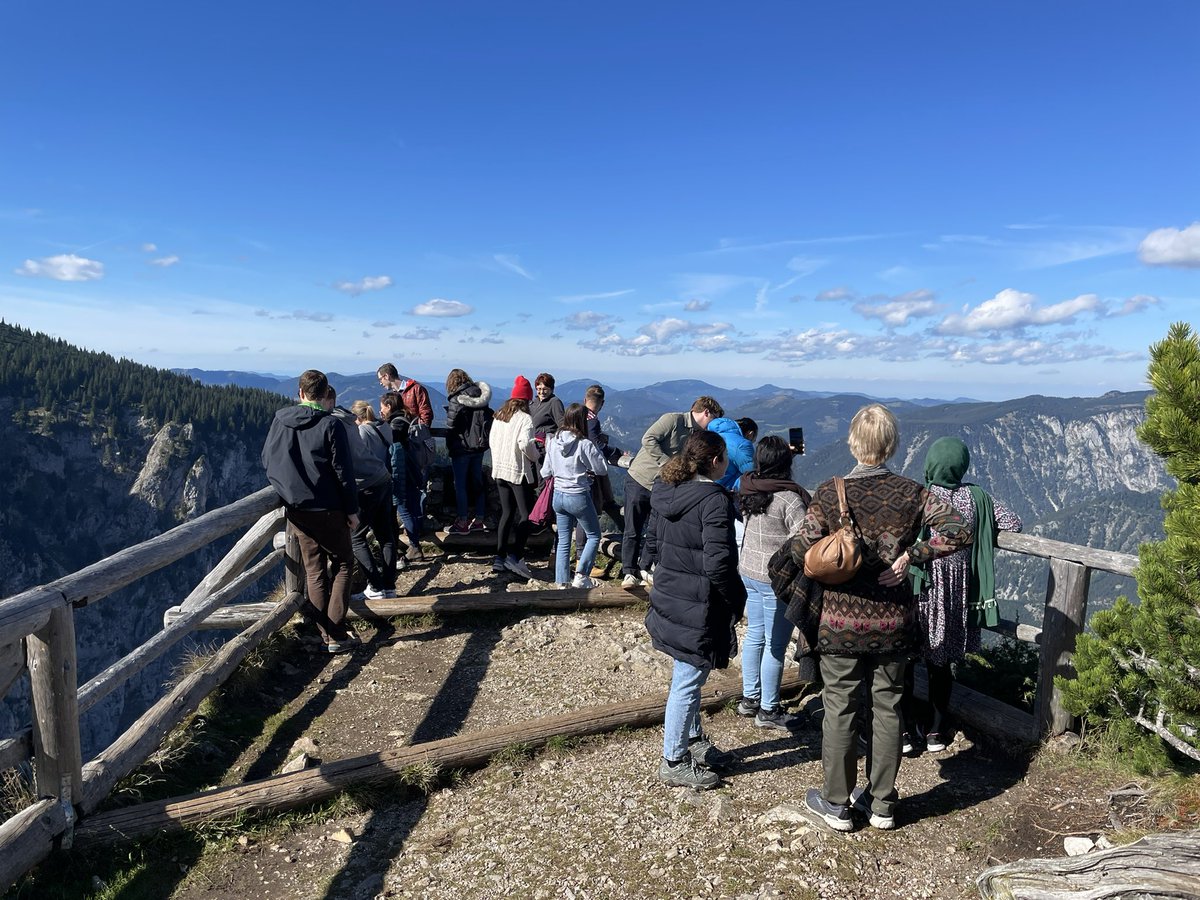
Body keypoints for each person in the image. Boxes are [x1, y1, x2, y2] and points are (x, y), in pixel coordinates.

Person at [791, 403, 971, 831]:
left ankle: (837, 803)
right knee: (888, 705)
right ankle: (882, 804)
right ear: (891, 445)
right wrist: (912, 555)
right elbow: (961, 530)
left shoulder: (829, 493)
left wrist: (837, 557)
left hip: (839, 623)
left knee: (840, 707)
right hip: (893, 623)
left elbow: (800, 550)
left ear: (853, 443)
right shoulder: (913, 493)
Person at [903, 436, 1022, 753]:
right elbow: (1014, 523)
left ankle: (905, 729)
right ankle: (936, 731)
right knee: (940, 663)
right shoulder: (977, 497)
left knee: (907, 658)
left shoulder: (923, 495)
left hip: (922, 586)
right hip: (958, 589)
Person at [644, 430, 747, 790]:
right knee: (688, 681)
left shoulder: (666, 488)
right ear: (716, 461)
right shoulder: (713, 500)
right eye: (725, 458)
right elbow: (719, 563)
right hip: (698, 603)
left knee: (686, 673)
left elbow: (653, 542)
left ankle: (693, 740)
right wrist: (737, 599)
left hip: (671, 595)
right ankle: (673, 760)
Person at [261, 370, 360, 654]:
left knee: (314, 570)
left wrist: (288, 490)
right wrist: (352, 510)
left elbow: (268, 459)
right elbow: (343, 472)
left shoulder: (280, 421)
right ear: (326, 393)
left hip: (297, 509)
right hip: (329, 507)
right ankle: (337, 634)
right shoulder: (331, 425)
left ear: (300, 393)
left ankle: (324, 634)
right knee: (343, 564)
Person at [736, 436, 810, 731]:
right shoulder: (789, 499)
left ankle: (750, 698)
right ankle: (768, 709)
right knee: (776, 644)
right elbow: (805, 540)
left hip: (748, 571)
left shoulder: (748, 486)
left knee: (755, 635)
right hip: (775, 580)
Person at [622, 396, 724, 589]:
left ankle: (643, 568)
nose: (714, 424)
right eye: (715, 418)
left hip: (663, 485)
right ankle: (628, 572)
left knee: (655, 530)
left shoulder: (697, 435)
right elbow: (648, 439)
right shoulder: (673, 420)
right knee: (633, 529)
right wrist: (666, 463)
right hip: (641, 479)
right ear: (707, 412)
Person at [329, 395, 401, 600]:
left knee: (356, 537)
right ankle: (389, 586)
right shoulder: (375, 426)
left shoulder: (346, 428)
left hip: (366, 484)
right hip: (383, 478)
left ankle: (376, 586)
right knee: (385, 535)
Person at [541, 403, 608, 588]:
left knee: (563, 539)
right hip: (578, 495)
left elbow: (545, 471)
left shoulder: (553, 441)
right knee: (594, 535)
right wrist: (597, 448)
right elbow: (601, 469)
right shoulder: (584, 443)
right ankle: (581, 575)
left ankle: (561, 582)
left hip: (558, 495)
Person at [488, 376, 540, 580]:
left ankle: (499, 557)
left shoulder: (499, 415)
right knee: (527, 515)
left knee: (507, 513)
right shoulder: (525, 419)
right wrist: (535, 456)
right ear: (526, 400)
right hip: (517, 472)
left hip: (499, 471)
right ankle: (516, 556)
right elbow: (525, 444)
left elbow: (492, 441)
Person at [378, 391, 427, 560]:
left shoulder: (397, 423)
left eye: (382, 407)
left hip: (401, 470)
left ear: (389, 406)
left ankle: (415, 546)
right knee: (412, 507)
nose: (381, 410)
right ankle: (415, 545)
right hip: (411, 469)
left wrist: (382, 425)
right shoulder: (406, 418)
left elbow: (390, 441)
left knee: (404, 509)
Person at [444, 368, 493, 534]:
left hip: (461, 447)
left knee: (460, 485)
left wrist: (450, 444)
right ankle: (479, 520)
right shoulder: (481, 396)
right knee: (477, 483)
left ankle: (462, 521)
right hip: (479, 446)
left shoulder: (456, 399)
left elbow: (451, 425)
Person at [583, 384, 626, 531]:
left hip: (575, 470)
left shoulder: (578, 415)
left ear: (585, 399)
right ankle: (627, 532)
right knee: (591, 509)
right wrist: (617, 452)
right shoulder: (592, 420)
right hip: (591, 471)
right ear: (602, 403)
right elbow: (597, 445)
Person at [707, 413, 755, 490]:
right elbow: (752, 473)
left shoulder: (710, 437)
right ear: (750, 434)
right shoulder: (742, 444)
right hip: (724, 489)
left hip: (704, 485)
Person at [529, 372, 565, 440]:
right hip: (532, 442)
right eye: (539, 389)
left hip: (546, 443)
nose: (542, 392)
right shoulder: (533, 403)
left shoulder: (554, 402)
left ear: (551, 389)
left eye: (545, 389)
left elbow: (562, 424)